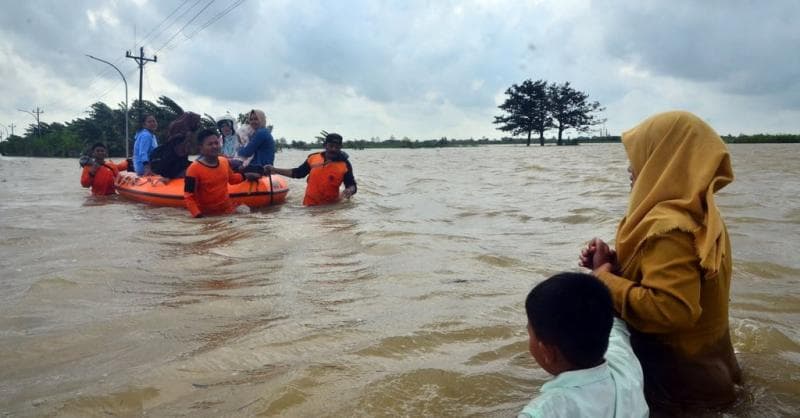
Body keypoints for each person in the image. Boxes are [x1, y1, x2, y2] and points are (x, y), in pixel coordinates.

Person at [579, 110, 741, 412]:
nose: (630, 167)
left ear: (663, 158)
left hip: (683, 390)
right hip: (713, 376)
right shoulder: (702, 215)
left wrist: (603, 278)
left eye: (639, 155)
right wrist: (619, 266)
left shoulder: (669, 228)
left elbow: (671, 310)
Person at [519, 272, 648, 418]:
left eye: (530, 333)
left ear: (547, 352)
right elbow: (615, 325)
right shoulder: (624, 361)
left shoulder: (546, 410)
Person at [184, 128, 260, 218]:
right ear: (201, 148)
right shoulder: (193, 169)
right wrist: (199, 217)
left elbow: (232, 179)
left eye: (216, 143)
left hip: (228, 212)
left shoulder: (224, 161)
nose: (215, 146)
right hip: (208, 216)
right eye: (210, 144)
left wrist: (247, 176)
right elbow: (189, 196)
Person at [266, 133, 356, 206]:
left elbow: (352, 185)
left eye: (337, 147)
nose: (333, 149)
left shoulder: (345, 164)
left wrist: (349, 190)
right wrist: (274, 170)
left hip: (330, 210)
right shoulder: (313, 158)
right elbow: (298, 173)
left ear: (340, 147)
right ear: (325, 145)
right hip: (309, 208)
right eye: (331, 146)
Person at [150, 112, 201, 179]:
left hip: (168, 167)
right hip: (173, 170)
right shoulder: (183, 137)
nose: (198, 125)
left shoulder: (176, 135)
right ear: (192, 123)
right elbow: (181, 156)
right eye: (197, 123)